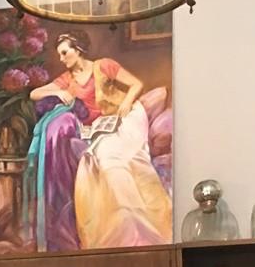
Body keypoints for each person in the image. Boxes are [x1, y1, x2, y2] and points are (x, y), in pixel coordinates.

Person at [27, 31, 172, 250]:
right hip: (101, 126)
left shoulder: (103, 66)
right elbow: (34, 93)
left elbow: (136, 84)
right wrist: (57, 93)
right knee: (97, 160)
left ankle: (142, 221)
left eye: (65, 52)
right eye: (59, 54)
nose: (61, 58)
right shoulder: (67, 80)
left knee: (115, 157)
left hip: (126, 117)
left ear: (78, 49)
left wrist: (127, 103)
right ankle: (118, 229)